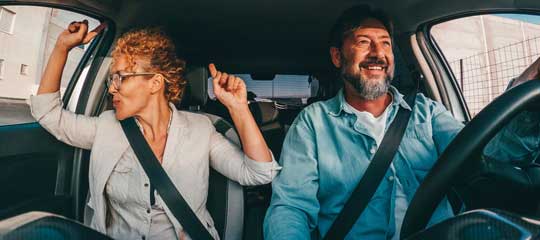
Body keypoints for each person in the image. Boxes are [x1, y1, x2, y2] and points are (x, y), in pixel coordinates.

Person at [264, 6, 540, 240]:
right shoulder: (312, 123)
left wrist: (527, 93)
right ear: (337, 56)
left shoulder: (425, 112)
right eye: (363, 42)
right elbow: (291, 207)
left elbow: (482, 152)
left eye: (385, 43)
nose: (378, 53)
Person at [30, 21, 280, 240]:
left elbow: (259, 173)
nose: (112, 89)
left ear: (155, 82)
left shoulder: (201, 130)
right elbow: (48, 115)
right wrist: (62, 47)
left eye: (120, 77)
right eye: (111, 80)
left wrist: (238, 107)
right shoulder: (106, 127)